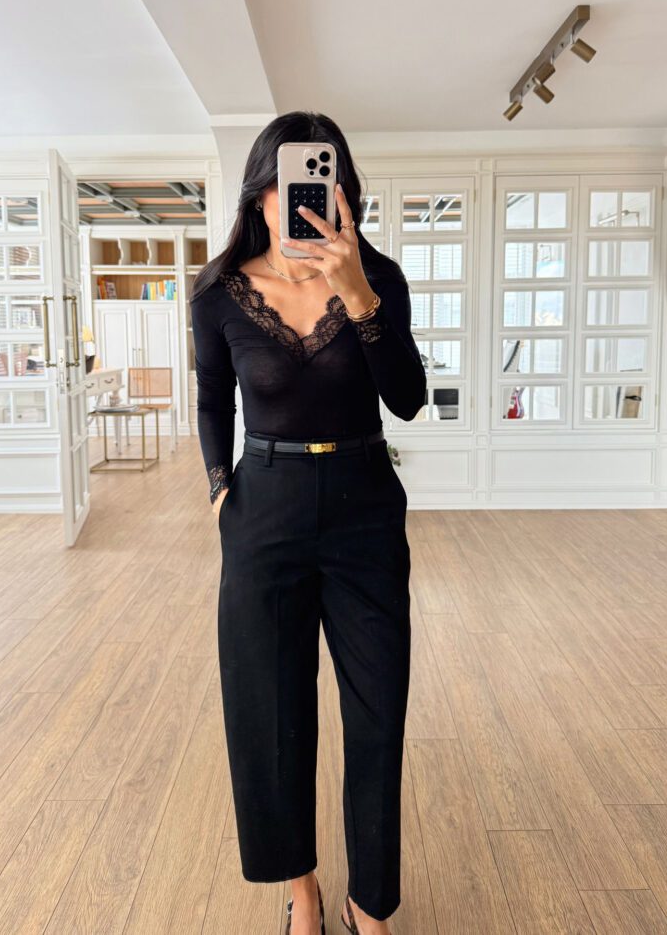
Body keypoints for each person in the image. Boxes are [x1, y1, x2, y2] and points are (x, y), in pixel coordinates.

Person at [190, 112, 426, 935]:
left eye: (323, 185)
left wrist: (357, 292)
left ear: (344, 194)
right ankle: (302, 890)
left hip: (364, 506)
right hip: (265, 510)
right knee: (270, 712)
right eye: (286, 184)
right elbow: (211, 399)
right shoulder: (218, 291)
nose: (302, 200)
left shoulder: (380, 276)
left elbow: (408, 398)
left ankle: (372, 904)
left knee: (377, 711)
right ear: (261, 192)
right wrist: (220, 491)